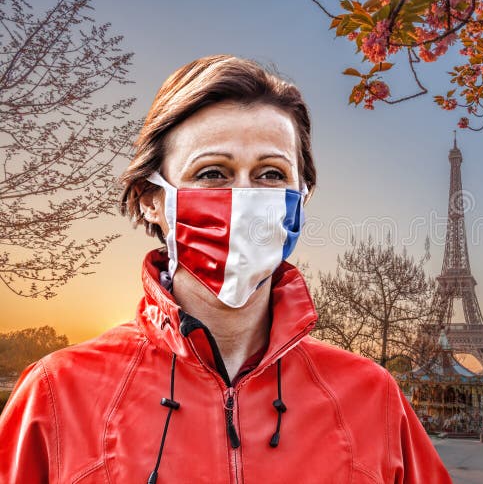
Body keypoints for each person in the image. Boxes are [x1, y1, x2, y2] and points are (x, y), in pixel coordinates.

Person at [0, 55, 452, 483]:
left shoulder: (372, 397)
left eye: (272, 175)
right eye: (213, 173)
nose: (245, 197)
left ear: (302, 198)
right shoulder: (57, 395)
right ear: (150, 199)